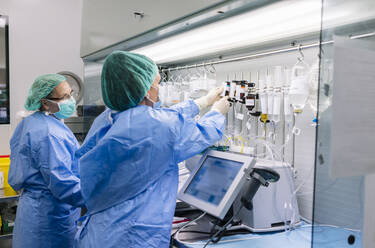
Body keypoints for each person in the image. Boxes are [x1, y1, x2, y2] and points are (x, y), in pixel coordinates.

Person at [74, 51, 230, 248]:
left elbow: (158, 119)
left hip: (101, 231)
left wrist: (202, 103)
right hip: (132, 234)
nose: (158, 89)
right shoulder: (157, 126)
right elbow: (200, 132)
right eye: (156, 83)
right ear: (145, 90)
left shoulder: (108, 119)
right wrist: (216, 113)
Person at [9, 74, 85, 248]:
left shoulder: (30, 123)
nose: (71, 100)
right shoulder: (49, 133)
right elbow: (63, 184)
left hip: (32, 212)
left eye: (70, 94)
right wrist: (96, 196)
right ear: (45, 102)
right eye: (65, 97)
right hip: (49, 219)